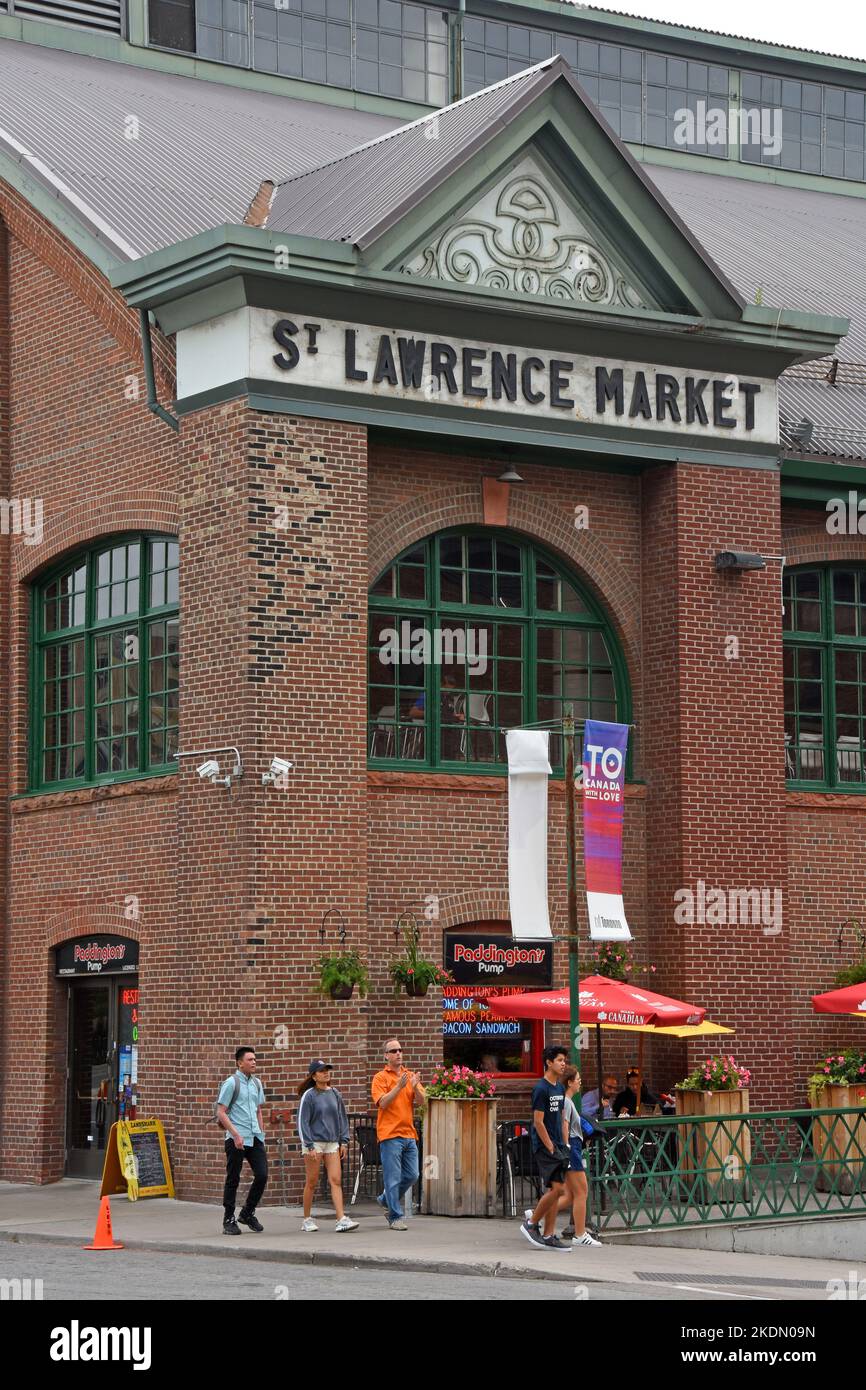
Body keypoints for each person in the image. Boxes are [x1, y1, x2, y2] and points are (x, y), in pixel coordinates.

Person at [296, 1059, 359, 1234]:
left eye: (327, 1070)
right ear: (314, 1076)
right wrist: (309, 1145)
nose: (326, 1073)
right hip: (314, 1143)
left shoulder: (335, 1094)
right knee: (312, 1181)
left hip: (332, 1142)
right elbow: (303, 1122)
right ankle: (307, 1219)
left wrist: (344, 1141)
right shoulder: (309, 1095)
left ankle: (341, 1219)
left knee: (336, 1180)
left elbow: (342, 1118)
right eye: (322, 1070)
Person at [520, 1044, 572, 1252]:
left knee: (554, 1190)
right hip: (544, 1146)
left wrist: (564, 1143)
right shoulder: (541, 1088)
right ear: (549, 1063)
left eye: (564, 1061)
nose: (563, 1064)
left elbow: (560, 1118)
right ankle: (532, 1223)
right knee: (558, 1189)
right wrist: (550, 1146)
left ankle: (549, 1235)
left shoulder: (559, 1088)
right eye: (559, 1060)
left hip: (558, 1145)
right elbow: (538, 1122)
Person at [371, 1039, 426, 1230]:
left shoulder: (409, 1075)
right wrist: (399, 1087)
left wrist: (415, 1086)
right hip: (390, 1134)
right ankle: (395, 1216)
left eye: (400, 1050)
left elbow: (422, 1101)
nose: (398, 1053)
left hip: (409, 1133)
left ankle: (386, 1198)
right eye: (393, 1051)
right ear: (386, 1055)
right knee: (392, 1177)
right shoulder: (380, 1077)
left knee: (412, 1174)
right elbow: (383, 1103)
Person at [218, 1047, 268, 1235]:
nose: (254, 1062)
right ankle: (228, 1219)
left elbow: (258, 1110)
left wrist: (261, 1133)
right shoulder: (231, 1083)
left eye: (255, 1059)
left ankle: (247, 1212)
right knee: (233, 1178)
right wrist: (235, 1134)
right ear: (240, 1063)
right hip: (236, 1138)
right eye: (250, 1059)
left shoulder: (256, 1083)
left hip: (254, 1137)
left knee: (262, 1175)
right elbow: (221, 1112)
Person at [558, 1067, 602, 1247]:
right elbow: (564, 1126)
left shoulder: (566, 1101)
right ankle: (580, 1234)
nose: (580, 1081)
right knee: (582, 1192)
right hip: (573, 1148)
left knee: (569, 1195)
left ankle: (535, 1216)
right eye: (577, 1079)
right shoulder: (567, 1102)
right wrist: (568, 1147)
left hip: (573, 1146)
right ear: (569, 1082)